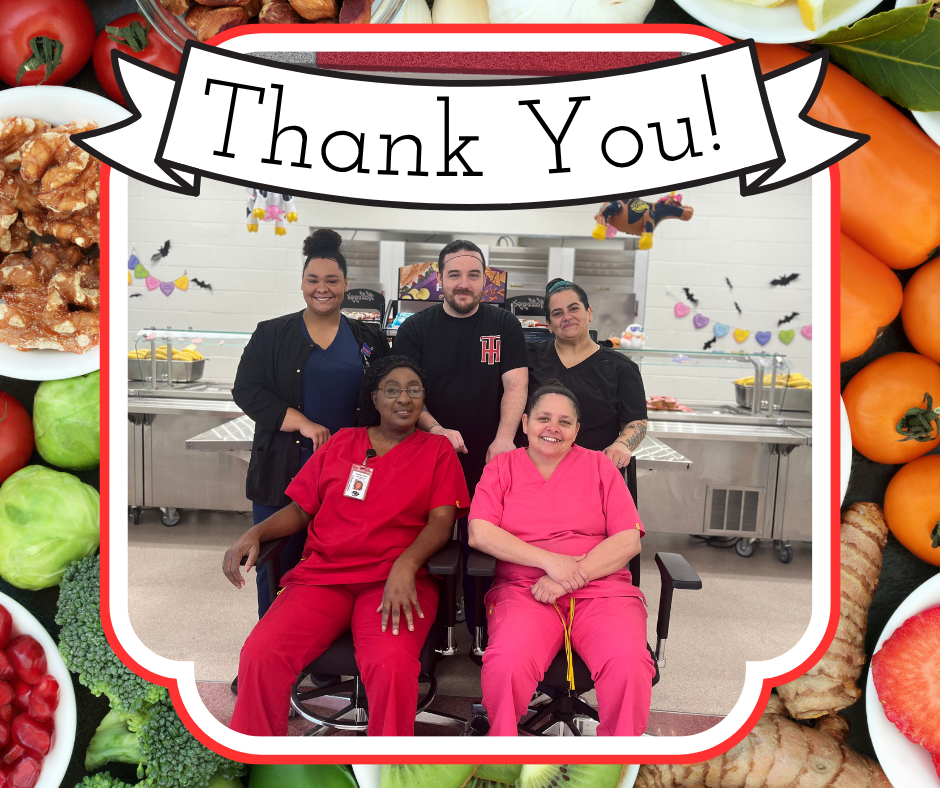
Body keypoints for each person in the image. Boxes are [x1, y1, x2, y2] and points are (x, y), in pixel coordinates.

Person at [223, 356, 470, 737]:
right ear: (374, 398)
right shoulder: (342, 443)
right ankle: (261, 762)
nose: (404, 399)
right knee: (261, 655)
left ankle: (385, 770)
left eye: (414, 390)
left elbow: (442, 522)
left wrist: (405, 565)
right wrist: (255, 533)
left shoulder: (437, 451)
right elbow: (301, 509)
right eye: (392, 390)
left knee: (390, 666)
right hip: (323, 577)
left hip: (397, 580)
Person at [468, 381, 655, 736]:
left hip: (602, 592)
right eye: (543, 418)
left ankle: (615, 762)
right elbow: (480, 533)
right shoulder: (501, 468)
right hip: (525, 591)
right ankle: (501, 753)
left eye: (564, 422)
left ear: (576, 430)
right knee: (507, 663)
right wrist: (549, 561)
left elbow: (628, 540)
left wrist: (572, 574)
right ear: (524, 423)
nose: (553, 428)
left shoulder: (600, 468)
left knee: (629, 665)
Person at [232, 228, 389, 621]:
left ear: (346, 285)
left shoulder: (368, 339)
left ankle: (322, 657)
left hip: (348, 476)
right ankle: (268, 654)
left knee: (334, 568)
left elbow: (388, 397)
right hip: (280, 473)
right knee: (275, 564)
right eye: (314, 280)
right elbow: (246, 390)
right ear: (302, 283)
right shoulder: (271, 334)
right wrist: (300, 422)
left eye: (332, 280)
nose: (323, 288)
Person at [393, 240, 529, 641]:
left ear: (485, 280)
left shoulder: (505, 325)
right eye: (454, 275)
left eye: (473, 275)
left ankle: (480, 630)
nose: (464, 283)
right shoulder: (415, 329)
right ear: (439, 279)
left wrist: (504, 438)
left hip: (489, 459)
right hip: (428, 455)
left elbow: (516, 384)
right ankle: (431, 632)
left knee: (482, 545)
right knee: (427, 541)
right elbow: (404, 393)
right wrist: (436, 430)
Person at [527, 278, 647, 495]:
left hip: (591, 482)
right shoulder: (528, 358)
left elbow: (636, 421)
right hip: (532, 477)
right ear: (549, 325)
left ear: (589, 312)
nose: (567, 317)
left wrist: (622, 445)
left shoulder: (622, 368)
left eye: (574, 309)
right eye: (557, 313)